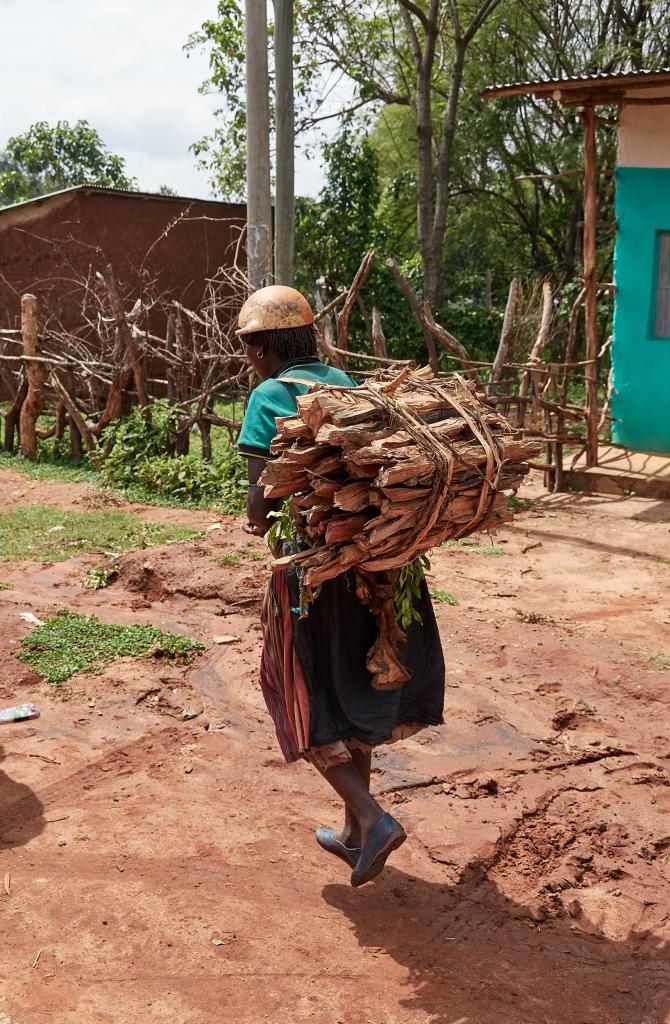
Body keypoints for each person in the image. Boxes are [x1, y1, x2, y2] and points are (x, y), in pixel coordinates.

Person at [236, 285, 445, 887]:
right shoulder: (347, 384)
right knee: (353, 680)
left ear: (262, 347)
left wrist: (254, 519)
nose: (250, 357)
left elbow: (262, 500)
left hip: (316, 571)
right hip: (380, 562)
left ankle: (375, 819)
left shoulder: (270, 394)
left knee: (304, 691)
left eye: (251, 345)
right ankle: (354, 830)